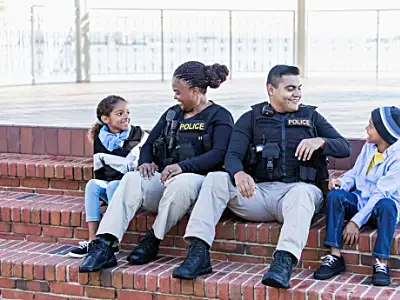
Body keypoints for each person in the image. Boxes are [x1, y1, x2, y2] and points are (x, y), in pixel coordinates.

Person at [172, 64, 352, 287]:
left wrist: (321, 141)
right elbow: (232, 155)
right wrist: (238, 173)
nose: (297, 94)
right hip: (258, 193)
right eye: (290, 88)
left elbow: (345, 147)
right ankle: (198, 253)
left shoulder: (312, 118)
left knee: (303, 192)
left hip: (296, 195)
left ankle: (283, 262)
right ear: (271, 89)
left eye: (299, 88)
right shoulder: (251, 118)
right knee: (216, 178)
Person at [79, 61, 234, 273]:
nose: (175, 97)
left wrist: (183, 166)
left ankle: (153, 239)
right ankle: (105, 244)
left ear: (196, 91)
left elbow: (219, 154)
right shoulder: (173, 114)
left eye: (178, 92)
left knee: (182, 181)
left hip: (198, 188)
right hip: (165, 183)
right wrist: (144, 162)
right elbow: (150, 143)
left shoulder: (220, 116)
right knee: (132, 179)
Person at [314, 106, 400, 287]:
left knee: (387, 205)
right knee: (336, 196)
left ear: (384, 132)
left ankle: (381, 263)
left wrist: (355, 222)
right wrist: (341, 183)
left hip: (381, 208)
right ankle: (335, 255)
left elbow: (380, 193)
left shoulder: (398, 158)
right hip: (362, 200)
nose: (366, 128)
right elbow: (355, 173)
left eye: (371, 126)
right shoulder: (369, 147)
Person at [67, 95, 148, 258]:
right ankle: (93, 240)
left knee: (113, 185)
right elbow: (100, 171)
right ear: (105, 119)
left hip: (134, 190)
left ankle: (112, 241)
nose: (126, 116)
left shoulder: (139, 135)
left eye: (127, 112)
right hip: (113, 188)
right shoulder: (100, 140)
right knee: (93, 184)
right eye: (119, 113)